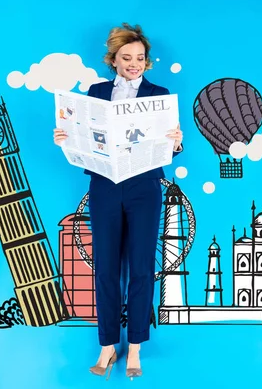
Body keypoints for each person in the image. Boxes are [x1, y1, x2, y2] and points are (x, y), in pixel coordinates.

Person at [53, 23, 183, 380]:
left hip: (144, 187)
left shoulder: (160, 94)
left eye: (140, 58)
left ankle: (136, 346)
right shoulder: (94, 92)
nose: (134, 64)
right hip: (104, 185)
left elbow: (170, 146)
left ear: (147, 61)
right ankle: (108, 346)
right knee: (106, 268)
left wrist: (176, 141)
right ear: (114, 60)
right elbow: (82, 138)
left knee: (142, 268)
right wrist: (65, 137)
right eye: (127, 58)